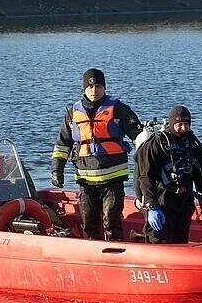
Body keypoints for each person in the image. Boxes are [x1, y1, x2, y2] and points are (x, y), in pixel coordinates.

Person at [51, 68, 142, 240]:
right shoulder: (72, 114)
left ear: (104, 88)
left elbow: (139, 138)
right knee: (88, 222)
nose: (94, 90)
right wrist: (57, 170)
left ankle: (115, 248)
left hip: (113, 178)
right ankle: (91, 250)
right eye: (90, 87)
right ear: (84, 88)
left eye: (98, 86)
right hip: (85, 179)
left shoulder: (119, 109)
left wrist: (145, 169)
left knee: (111, 221)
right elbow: (62, 144)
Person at [135, 105, 202, 243]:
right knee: (158, 240)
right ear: (172, 124)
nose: (184, 128)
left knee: (180, 240)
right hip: (162, 199)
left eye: (186, 124)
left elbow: (201, 174)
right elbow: (145, 177)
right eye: (179, 125)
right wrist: (152, 205)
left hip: (185, 200)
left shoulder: (193, 144)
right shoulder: (156, 144)